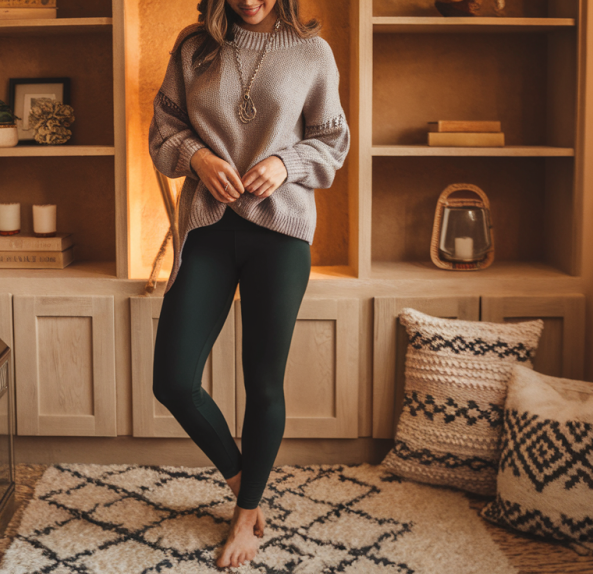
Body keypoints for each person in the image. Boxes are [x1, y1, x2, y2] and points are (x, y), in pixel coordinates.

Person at [148, 0, 350, 568]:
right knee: (173, 379)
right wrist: (196, 157)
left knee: (263, 383)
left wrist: (287, 163)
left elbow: (333, 143)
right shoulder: (194, 49)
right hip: (208, 229)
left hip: (280, 234)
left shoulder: (313, 52)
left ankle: (245, 519)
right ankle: (244, 481)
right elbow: (164, 132)